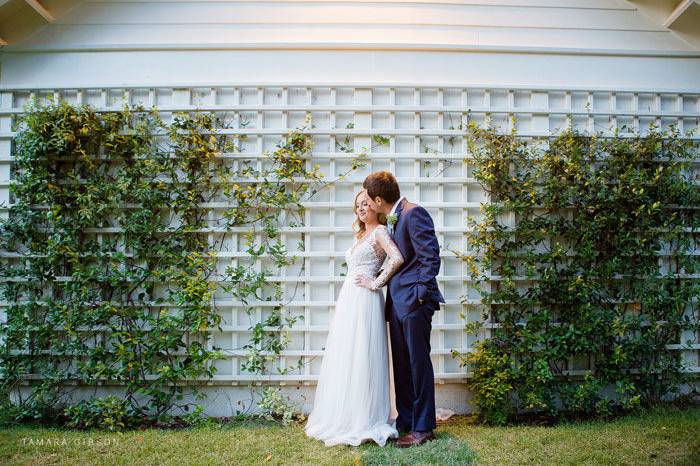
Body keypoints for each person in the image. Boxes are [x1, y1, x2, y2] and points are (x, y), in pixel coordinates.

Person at [304, 189, 404, 447]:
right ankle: (348, 414)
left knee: (364, 352)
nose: (361, 208)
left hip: (366, 300)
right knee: (347, 353)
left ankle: (367, 417)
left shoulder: (381, 232)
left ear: (375, 205)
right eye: (358, 205)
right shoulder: (360, 235)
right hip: (349, 299)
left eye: (366, 203)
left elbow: (397, 258)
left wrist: (377, 283)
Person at [362, 171, 445, 448]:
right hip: (396, 304)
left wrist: (419, 296)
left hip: (414, 304)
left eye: (369, 200)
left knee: (417, 364)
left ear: (377, 199)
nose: (367, 205)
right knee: (401, 366)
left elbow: (430, 258)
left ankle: (423, 428)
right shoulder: (394, 219)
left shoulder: (414, 213)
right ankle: (406, 421)